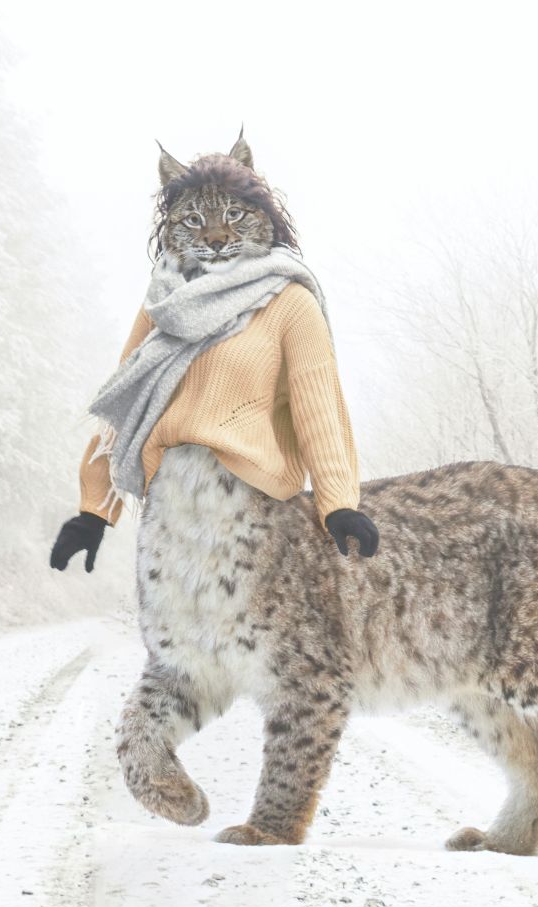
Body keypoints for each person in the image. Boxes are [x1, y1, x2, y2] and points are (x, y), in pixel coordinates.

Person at [49, 130, 379, 574]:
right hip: (168, 513)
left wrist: (338, 504)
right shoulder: (166, 303)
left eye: (233, 216)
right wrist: (94, 511)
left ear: (261, 215)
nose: (217, 235)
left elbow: (318, 412)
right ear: (172, 226)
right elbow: (126, 407)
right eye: (194, 222)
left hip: (255, 514)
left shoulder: (289, 301)